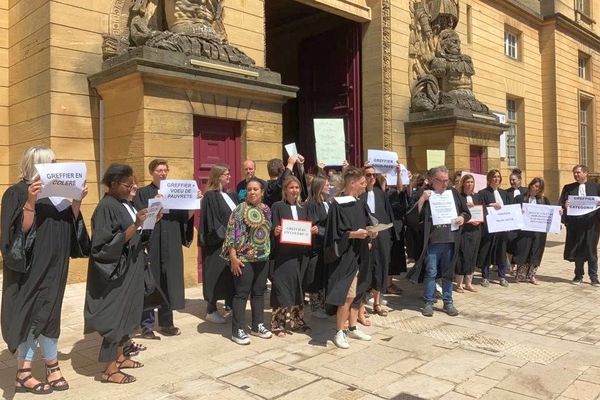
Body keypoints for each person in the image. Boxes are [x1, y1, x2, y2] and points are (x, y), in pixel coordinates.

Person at [1, 147, 90, 394]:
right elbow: (17, 235)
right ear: (38, 166)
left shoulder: (59, 197)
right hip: (31, 268)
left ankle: (52, 365)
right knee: (32, 313)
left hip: (57, 264)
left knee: (51, 313)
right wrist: (31, 201)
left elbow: (71, 226)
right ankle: (23, 372)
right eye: (51, 163)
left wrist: (77, 201)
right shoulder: (16, 193)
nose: (56, 166)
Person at [84, 163, 148, 384]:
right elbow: (103, 246)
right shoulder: (106, 207)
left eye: (132, 183)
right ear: (112, 184)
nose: (132, 187)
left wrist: (147, 223)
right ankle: (109, 370)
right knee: (115, 317)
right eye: (127, 184)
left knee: (127, 314)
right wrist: (136, 225)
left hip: (131, 268)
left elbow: (134, 232)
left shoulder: (123, 203)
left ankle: (120, 357)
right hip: (116, 272)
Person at [133, 159, 200, 339]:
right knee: (150, 282)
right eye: (158, 170)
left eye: (165, 170)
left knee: (169, 282)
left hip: (171, 242)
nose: (162, 173)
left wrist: (193, 203)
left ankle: (166, 323)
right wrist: (155, 203)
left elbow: (184, 218)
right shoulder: (143, 193)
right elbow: (141, 219)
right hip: (151, 242)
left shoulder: (174, 193)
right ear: (151, 172)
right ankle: (146, 325)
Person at [407, 166, 470, 317]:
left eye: (446, 180)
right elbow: (411, 218)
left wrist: (462, 217)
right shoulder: (425, 193)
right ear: (432, 180)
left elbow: (466, 212)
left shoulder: (453, 193)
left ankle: (448, 302)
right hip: (432, 242)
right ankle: (428, 302)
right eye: (441, 181)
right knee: (431, 272)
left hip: (450, 240)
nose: (444, 184)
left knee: (448, 273)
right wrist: (422, 199)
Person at [324, 167, 375, 349]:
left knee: (359, 292)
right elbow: (334, 235)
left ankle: (352, 327)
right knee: (347, 295)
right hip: (347, 256)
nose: (365, 186)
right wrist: (353, 235)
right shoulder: (337, 204)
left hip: (361, 253)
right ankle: (339, 331)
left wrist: (371, 232)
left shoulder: (359, 202)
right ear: (352, 183)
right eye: (362, 183)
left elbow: (368, 223)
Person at [222, 178, 273, 345]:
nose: (252, 192)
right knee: (241, 293)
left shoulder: (266, 209)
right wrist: (233, 257)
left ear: (262, 192)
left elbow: (267, 231)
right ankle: (237, 330)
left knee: (259, 292)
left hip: (262, 257)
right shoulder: (239, 210)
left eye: (255, 189)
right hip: (244, 258)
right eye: (249, 189)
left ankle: (257, 325)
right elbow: (231, 234)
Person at [270, 176, 317, 336]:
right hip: (284, 255)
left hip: (301, 255)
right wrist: (275, 232)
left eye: (297, 188)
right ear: (285, 190)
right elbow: (273, 228)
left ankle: (297, 320)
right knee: (281, 288)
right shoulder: (277, 206)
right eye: (291, 188)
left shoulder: (304, 207)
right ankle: (278, 322)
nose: (294, 191)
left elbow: (309, 226)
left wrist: (313, 231)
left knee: (299, 287)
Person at [200, 164, 238, 323]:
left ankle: (230, 305)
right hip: (217, 244)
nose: (229, 176)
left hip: (233, 243)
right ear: (217, 176)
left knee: (229, 275)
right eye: (226, 174)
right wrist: (226, 232)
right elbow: (210, 222)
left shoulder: (232, 195)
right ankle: (211, 309)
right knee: (215, 275)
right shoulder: (210, 196)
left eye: (229, 173)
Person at [360, 165, 395, 317]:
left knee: (381, 267)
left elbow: (388, 214)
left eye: (374, 175)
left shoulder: (381, 194)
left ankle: (377, 303)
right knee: (365, 270)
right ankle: (360, 307)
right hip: (365, 237)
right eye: (368, 175)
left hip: (382, 237)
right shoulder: (359, 195)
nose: (372, 178)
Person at [559, 165, 600, 286]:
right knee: (578, 250)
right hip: (575, 225)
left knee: (591, 250)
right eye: (574, 173)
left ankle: (594, 277)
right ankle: (578, 275)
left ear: (586, 173)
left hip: (592, 225)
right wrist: (564, 206)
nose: (575, 175)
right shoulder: (568, 188)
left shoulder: (596, 187)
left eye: (578, 172)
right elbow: (561, 203)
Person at [513, 178, 555, 284]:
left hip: (539, 233)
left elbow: (550, 214)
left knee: (536, 252)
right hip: (524, 232)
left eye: (539, 187)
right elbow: (514, 212)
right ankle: (521, 275)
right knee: (523, 251)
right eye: (535, 186)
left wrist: (559, 213)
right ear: (530, 185)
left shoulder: (544, 200)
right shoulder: (520, 198)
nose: (537, 189)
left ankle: (532, 276)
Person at [477, 169, 512, 287]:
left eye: (498, 177)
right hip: (489, 229)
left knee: (501, 252)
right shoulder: (483, 193)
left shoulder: (504, 193)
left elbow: (509, 208)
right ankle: (485, 277)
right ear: (489, 179)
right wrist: (490, 205)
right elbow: (479, 208)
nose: (497, 179)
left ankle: (502, 277)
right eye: (494, 177)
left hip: (502, 229)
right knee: (487, 252)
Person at [455, 174, 482, 292]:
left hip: (476, 230)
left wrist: (479, 221)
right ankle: (459, 284)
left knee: (473, 255)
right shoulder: (459, 197)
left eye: (472, 182)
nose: (470, 184)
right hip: (464, 231)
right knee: (462, 256)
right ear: (463, 183)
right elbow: (458, 212)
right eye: (467, 182)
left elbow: (482, 211)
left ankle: (469, 283)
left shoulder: (477, 197)